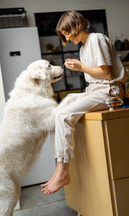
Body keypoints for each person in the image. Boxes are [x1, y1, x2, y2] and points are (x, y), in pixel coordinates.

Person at [41, 10, 127, 195]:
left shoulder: (96, 39)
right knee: (56, 114)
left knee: (64, 115)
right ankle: (58, 166)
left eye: (67, 32)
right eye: (64, 35)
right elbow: (94, 75)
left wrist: (80, 67)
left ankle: (63, 171)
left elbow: (107, 74)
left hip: (109, 91)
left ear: (77, 25)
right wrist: (80, 66)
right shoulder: (83, 47)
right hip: (95, 90)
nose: (66, 37)